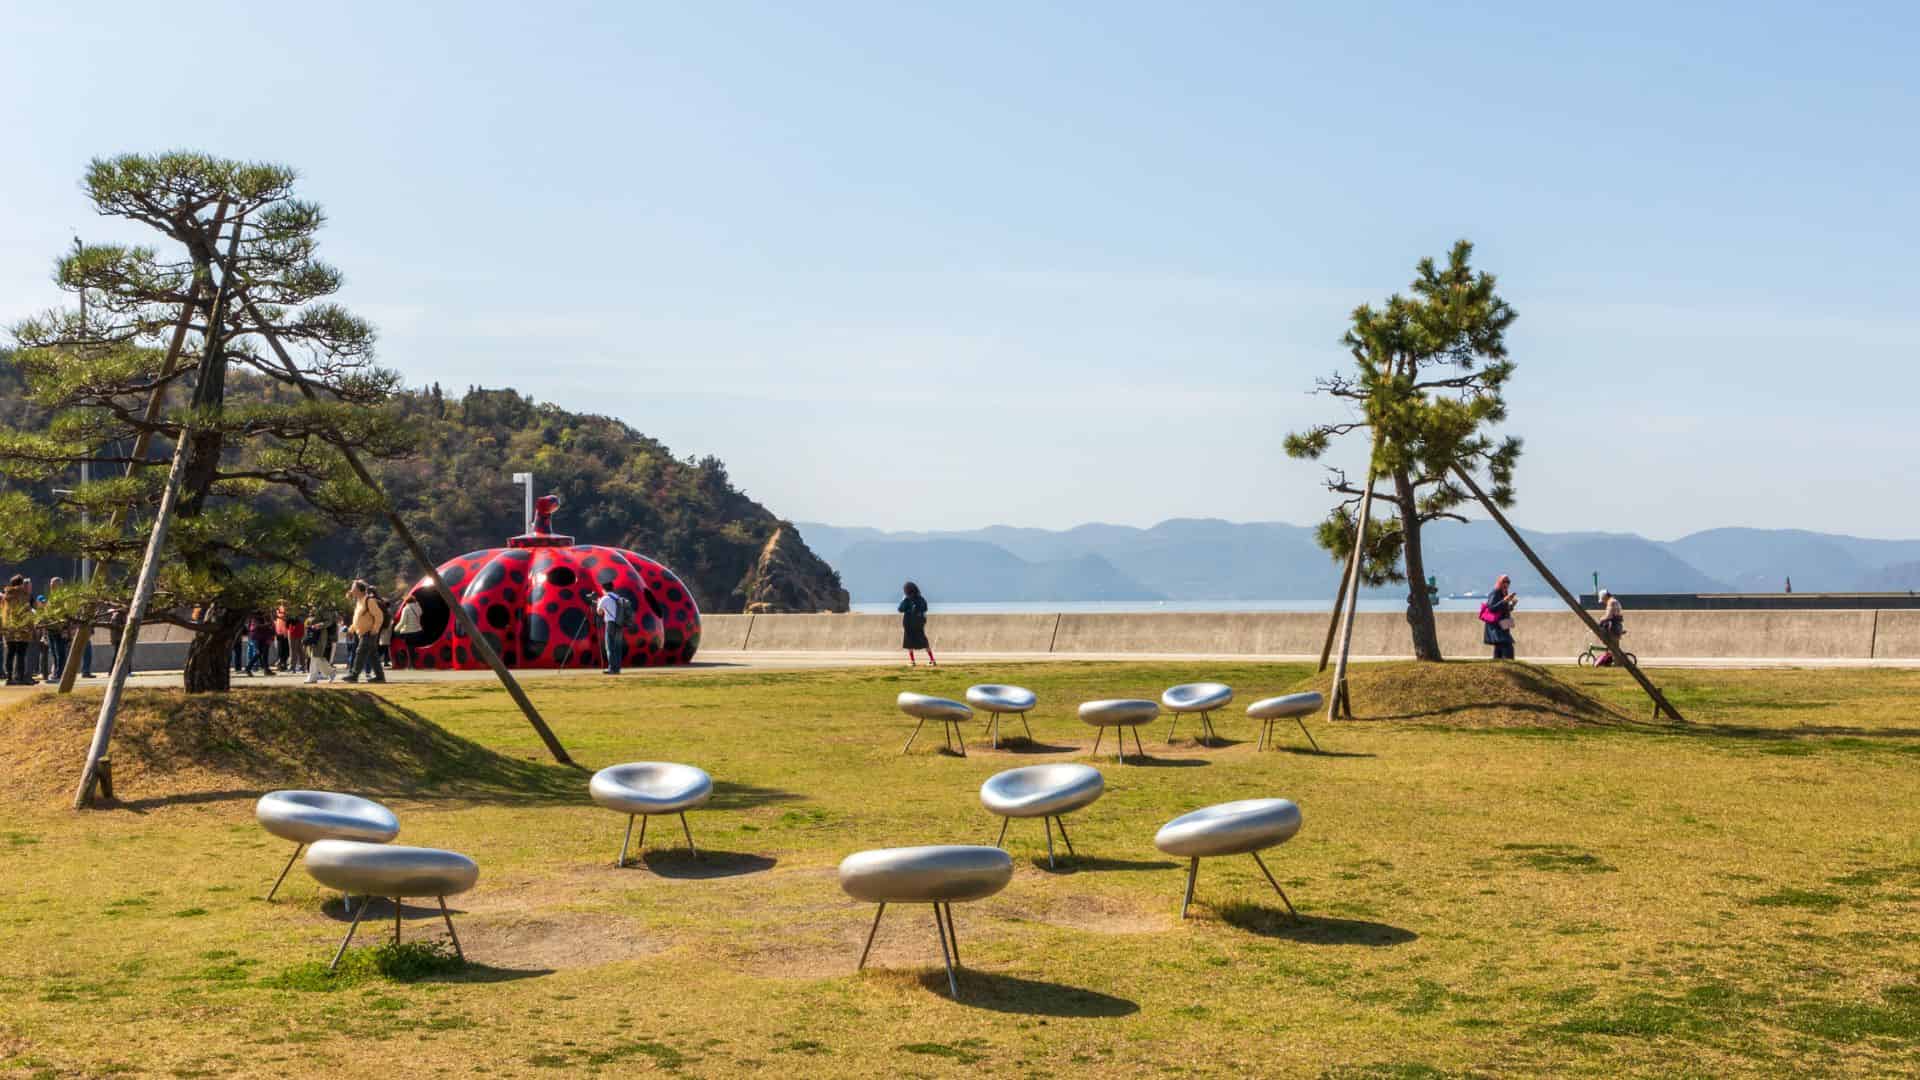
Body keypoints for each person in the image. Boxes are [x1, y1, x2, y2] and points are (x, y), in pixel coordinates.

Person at [343, 581, 386, 683]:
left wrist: (375, 629)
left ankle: (354, 675)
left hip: (369, 633)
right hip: (362, 633)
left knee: (360, 651)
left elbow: (379, 616)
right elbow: (357, 619)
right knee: (373, 656)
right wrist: (351, 629)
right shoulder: (359, 601)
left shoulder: (369, 600)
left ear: (359, 590)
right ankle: (380, 677)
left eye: (353, 588)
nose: (351, 590)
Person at [1, 574, 32, 685]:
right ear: (21, 583)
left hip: (9, 628)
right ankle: (20, 677)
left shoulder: (6, 596)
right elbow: (26, 612)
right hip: (22, 628)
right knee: (21, 654)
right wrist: (31, 627)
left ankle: (9, 677)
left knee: (10, 653)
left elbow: (3, 612)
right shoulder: (23, 595)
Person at [899, 581, 935, 667]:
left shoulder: (907, 599)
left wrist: (903, 601)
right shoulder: (921, 599)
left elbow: (900, 609)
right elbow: (925, 608)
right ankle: (932, 659)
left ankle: (912, 661)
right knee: (924, 641)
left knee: (909, 642)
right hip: (919, 623)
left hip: (908, 623)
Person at [1483, 574, 1517, 661]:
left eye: (1508, 582)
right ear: (1500, 582)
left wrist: (1512, 604)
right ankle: (1508, 665)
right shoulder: (1495, 592)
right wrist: (1505, 600)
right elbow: (1491, 608)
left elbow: (1504, 609)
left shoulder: (1504, 593)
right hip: (1497, 625)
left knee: (1500, 647)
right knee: (1507, 646)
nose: (1507, 584)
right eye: (1504, 581)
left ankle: (1497, 664)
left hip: (1504, 624)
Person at [44, 577, 70, 680]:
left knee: (60, 653)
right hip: (51, 629)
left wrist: (65, 629)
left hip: (60, 629)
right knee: (54, 653)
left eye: (54, 584)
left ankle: (60, 673)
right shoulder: (50, 598)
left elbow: (66, 614)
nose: (52, 586)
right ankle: (56, 671)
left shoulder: (63, 598)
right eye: (51, 584)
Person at [302, 608, 338, 683]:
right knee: (316, 656)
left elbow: (329, 621)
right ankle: (331, 672)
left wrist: (319, 625)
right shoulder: (312, 604)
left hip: (320, 635)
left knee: (315, 655)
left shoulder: (323, 606)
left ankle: (313, 677)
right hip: (312, 632)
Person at [595, 587, 625, 674]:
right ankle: (617, 669)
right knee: (617, 647)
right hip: (619, 624)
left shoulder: (605, 598)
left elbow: (599, 612)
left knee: (610, 646)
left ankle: (612, 668)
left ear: (604, 589)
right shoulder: (617, 597)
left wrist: (598, 603)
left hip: (611, 624)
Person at [390, 592, 423, 669]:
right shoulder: (418, 607)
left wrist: (395, 628)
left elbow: (403, 622)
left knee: (409, 648)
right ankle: (413, 664)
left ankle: (411, 665)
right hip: (418, 631)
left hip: (409, 632)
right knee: (413, 648)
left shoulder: (406, 609)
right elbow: (420, 614)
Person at [1596, 589, 1626, 665]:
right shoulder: (1616, 601)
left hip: (1613, 627)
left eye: (1603, 600)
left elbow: (1609, 616)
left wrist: (1600, 619)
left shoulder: (1611, 602)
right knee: (1615, 646)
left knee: (1612, 647)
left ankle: (1617, 663)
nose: (1603, 602)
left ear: (1605, 596)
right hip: (1617, 626)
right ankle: (1616, 663)